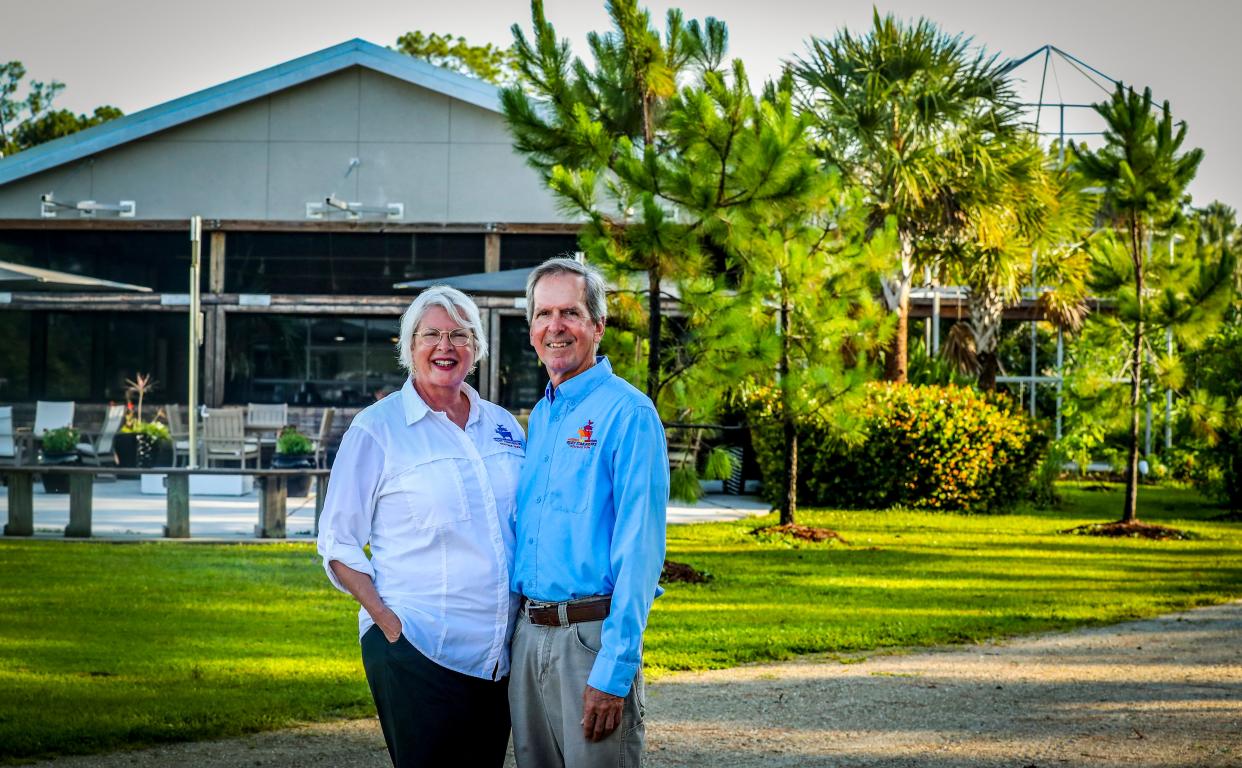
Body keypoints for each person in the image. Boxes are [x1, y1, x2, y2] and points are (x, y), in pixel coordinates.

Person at [316, 285, 524, 768]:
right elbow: (337, 543)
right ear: (410, 348)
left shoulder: (504, 426)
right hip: (418, 647)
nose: (445, 346)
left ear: (476, 348)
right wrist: (389, 624)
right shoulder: (377, 429)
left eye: (459, 334)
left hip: (498, 657)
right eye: (431, 334)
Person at [509, 257, 669, 767]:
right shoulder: (542, 417)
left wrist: (614, 669)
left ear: (597, 326)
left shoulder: (630, 414)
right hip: (528, 636)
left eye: (571, 313)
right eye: (543, 314)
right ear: (531, 328)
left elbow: (640, 554)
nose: (555, 327)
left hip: (589, 643)